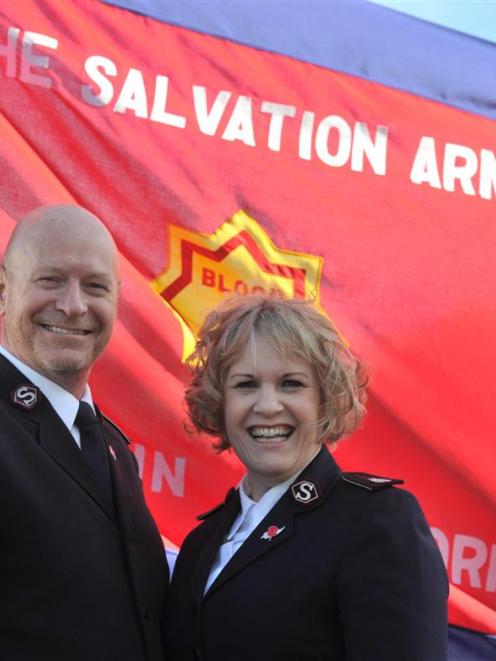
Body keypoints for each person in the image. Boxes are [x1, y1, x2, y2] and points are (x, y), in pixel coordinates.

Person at [164, 293, 448, 661]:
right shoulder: (200, 544)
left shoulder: (374, 520)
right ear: (220, 403)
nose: (267, 406)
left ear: (324, 400)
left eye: (291, 384)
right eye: (246, 385)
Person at [0, 205, 168, 661]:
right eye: (50, 280)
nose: (73, 305)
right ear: (2, 290)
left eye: (95, 286)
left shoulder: (112, 448)